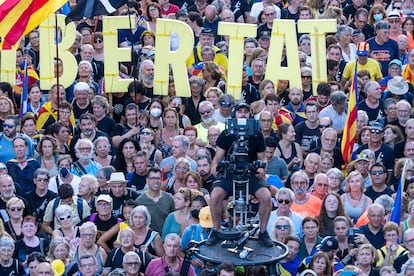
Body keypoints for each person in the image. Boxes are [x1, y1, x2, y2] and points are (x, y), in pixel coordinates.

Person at [207, 102, 273, 247]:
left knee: (266, 197)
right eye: (239, 111)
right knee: (215, 195)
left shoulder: (257, 134)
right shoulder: (226, 134)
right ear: (234, 114)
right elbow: (218, 156)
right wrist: (215, 165)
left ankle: (262, 232)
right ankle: (216, 230)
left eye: (246, 111)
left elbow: (262, 157)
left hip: (251, 173)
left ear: (250, 114)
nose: (243, 114)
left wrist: (262, 169)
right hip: (230, 172)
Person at [136, 167, 175, 234]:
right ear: (147, 180)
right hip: (147, 240)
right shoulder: (139, 201)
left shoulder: (169, 198)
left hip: (166, 239)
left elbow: (174, 220)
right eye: (152, 178)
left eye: (158, 178)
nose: (156, 181)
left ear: (162, 179)